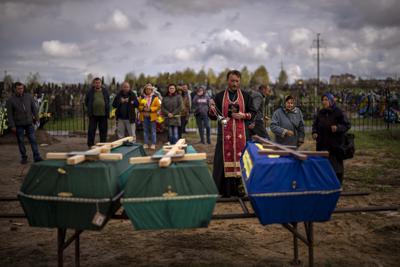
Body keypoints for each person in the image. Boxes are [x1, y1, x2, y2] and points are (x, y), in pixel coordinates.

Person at [209, 70, 256, 197]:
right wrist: (211, 108)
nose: (234, 83)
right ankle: (224, 191)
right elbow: (213, 116)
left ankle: (242, 189)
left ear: (239, 81)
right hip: (224, 137)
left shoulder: (246, 96)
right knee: (221, 161)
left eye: (237, 81)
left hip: (242, 136)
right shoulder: (219, 97)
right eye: (232, 80)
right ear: (227, 80)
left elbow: (254, 113)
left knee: (243, 161)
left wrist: (243, 115)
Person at [312, 93, 351, 184]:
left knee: (336, 166)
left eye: (326, 99)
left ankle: (337, 184)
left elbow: (347, 125)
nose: (324, 102)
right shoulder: (320, 112)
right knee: (323, 164)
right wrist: (314, 132)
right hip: (322, 144)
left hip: (335, 144)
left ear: (331, 100)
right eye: (323, 100)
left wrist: (337, 128)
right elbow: (315, 124)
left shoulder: (338, 112)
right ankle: (325, 183)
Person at [6, 82, 43, 164]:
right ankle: (24, 157)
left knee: (33, 140)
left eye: (22, 88)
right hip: (18, 125)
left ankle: (37, 156)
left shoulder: (28, 97)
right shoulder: (11, 100)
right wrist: (12, 125)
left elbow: (34, 108)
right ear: (15, 89)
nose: (21, 90)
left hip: (29, 123)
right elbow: (10, 115)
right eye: (19, 89)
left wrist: (37, 118)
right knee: (21, 141)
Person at [85, 77, 110, 148]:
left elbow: (107, 100)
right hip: (93, 115)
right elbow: (86, 101)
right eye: (96, 83)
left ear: (101, 83)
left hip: (103, 115)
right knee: (91, 131)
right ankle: (90, 145)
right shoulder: (90, 92)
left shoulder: (105, 91)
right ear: (93, 84)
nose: (97, 84)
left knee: (103, 131)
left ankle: (103, 145)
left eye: (99, 83)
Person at [138, 83, 161, 149]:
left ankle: (153, 144)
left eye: (149, 89)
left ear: (152, 90)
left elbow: (158, 106)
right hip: (144, 116)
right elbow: (138, 106)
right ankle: (146, 143)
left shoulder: (155, 97)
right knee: (145, 131)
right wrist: (143, 108)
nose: (148, 90)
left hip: (152, 117)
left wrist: (151, 109)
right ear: (145, 90)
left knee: (153, 131)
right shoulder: (141, 97)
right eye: (147, 89)